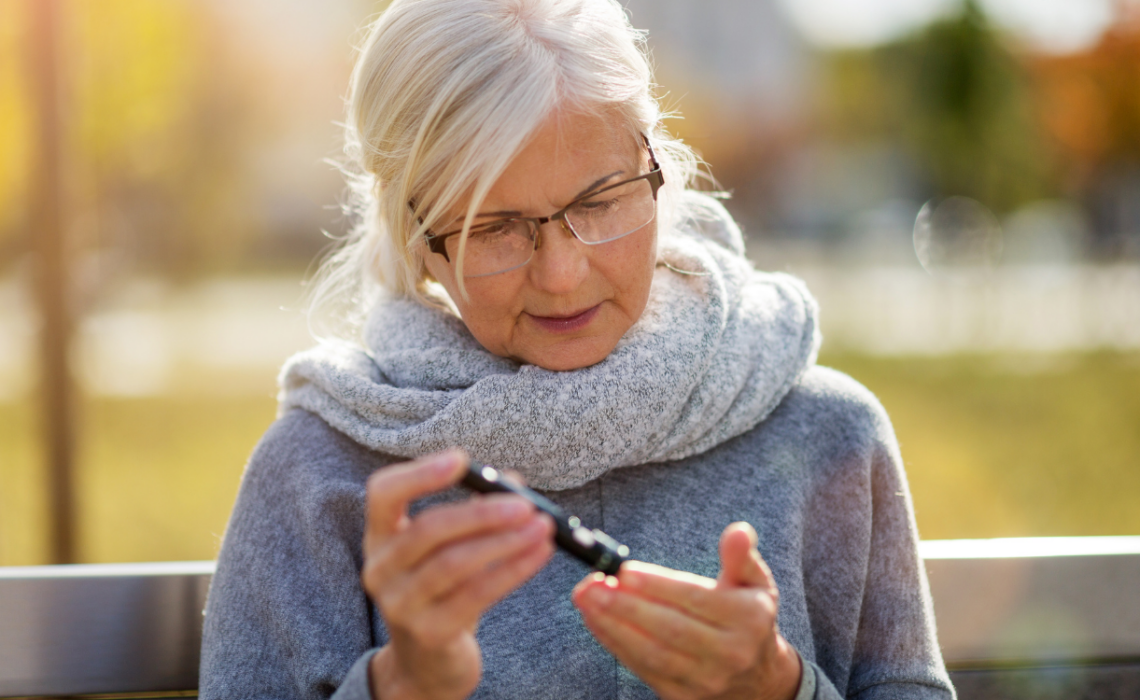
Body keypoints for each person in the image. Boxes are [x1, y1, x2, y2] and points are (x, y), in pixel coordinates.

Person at [200, 1, 956, 699]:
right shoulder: (316, 476)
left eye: (600, 202)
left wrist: (782, 688)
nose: (562, 276)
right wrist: (400, 685)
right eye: (492, 228)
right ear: (415, 240)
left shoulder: (831, 436)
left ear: (658, 173)